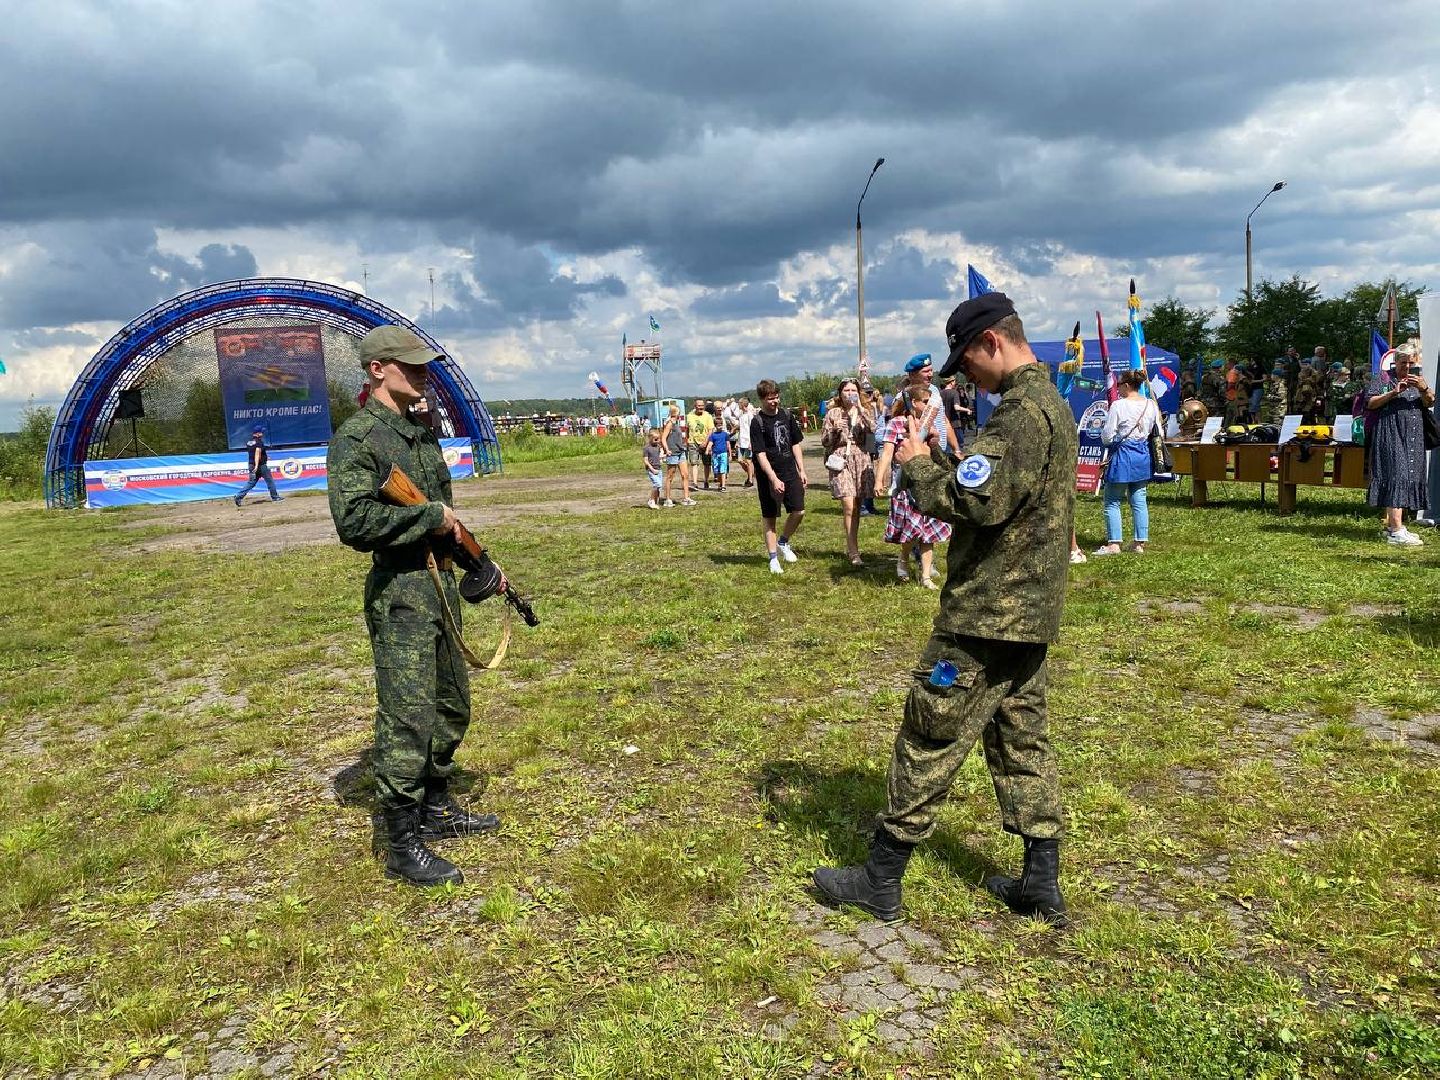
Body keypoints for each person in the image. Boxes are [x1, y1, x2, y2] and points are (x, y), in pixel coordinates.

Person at [813, 292, 1077, 925]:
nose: (966, 379)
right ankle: (1041, 881)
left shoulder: (1020, 413)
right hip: (1028, 617)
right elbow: (1005, 492)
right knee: (1022, 739)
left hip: (985, 615)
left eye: (967, 364)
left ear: (992, 343)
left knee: (929, 735)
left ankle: (881, 879)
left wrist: (918, 465)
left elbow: (978, 502)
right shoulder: (1053, 406)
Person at [327, 325, 503, 887]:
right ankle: (400, 839)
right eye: (413, 365)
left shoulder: (419, 433)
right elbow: (354, 523)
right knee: (408, 717)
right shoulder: (359, 440)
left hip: (440, 586)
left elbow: (445, 513)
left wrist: (478, 561)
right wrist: (428, 519)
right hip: (400, 593)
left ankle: (436, 805)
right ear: (378, 369)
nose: (425, 374)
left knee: (452, 704)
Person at [876, 385, 951, 586]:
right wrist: (879, 479)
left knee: (928, 532)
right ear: (914, 403)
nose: (928, 406)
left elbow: (935, 456)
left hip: (926, 484)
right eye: (925, 402)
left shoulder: (929, 426)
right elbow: (887, 453)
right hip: (905, 487)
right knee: (912, 530)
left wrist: (934, 441)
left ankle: (925, 576)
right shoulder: (896, 424)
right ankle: (903, 559)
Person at [1366, 342, 1433, 546]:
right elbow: (1370, 403)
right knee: (1396, 475)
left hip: (1413, 435)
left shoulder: (1419, 380)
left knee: (1408, 475)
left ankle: (1392, 527)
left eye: (1411, 363)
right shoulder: (1384, 378)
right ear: (1395, 362)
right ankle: (1396, 529)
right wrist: (1393, 392)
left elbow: (1430, 402)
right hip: (1390, 432)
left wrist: (1424, 389)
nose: (1406, 367)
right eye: (1403, 363)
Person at [1092, 370, 1160, 556]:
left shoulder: (1119, 406)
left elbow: (1107, 436)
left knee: (1112, 500)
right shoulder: (1151, 405)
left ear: (1127, 385)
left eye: (1119, 385)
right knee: (1139, 500)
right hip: (1143, 455)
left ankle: (1114, 544)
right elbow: (1157, 432)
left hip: (1122, 456)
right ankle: (1139, 543)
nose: (1117, 388)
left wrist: (1108, 440)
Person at [750, 379, 807, 574]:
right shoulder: (757, 422)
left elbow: (795, 444)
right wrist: (773, 478)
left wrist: (802, 469)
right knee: (770, 517)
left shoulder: (787, 416)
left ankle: (784, 542)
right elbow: (760, 454)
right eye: (770, 398)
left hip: (790, 471)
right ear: (762, 399)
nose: (775, 401)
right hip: (768, 476)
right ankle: (773, 558)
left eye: (776, 397)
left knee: (799, 511)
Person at [821, 377, 876, 565]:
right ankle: (853, 551)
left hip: (860, 458)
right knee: (848, 504)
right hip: (841, 459)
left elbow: (874, 430)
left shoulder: (865, 411)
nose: (850, 394)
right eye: (846, 391)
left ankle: (853, 544)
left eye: (853, 390)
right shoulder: (833, 413)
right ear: (840, 394)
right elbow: (825, 442)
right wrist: (835, 431)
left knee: (857, 506)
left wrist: (861, 409)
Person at [903, 353, 960, 454]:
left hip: (941, 450)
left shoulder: (934, 391)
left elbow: (944, 420)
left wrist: (956, 449)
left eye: (931, 370)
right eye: (925, 371)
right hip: (924, 452)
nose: (930, 374)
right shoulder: (905, 397)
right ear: (912, 375)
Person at [659, 405, 695, 507]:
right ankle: (667, 499)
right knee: (670, 476)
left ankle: (686, 498)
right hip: (673, 452)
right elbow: (663, 438)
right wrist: (667, 450)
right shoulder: (670, 424)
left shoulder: (677, 424)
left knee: (685, 475)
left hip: (681, 452)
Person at [234, 427, 282, 505]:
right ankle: (275, 497)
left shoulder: (249, 442)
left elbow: (253, 453)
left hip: (250, 464)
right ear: (257, 433)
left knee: (251, 482)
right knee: (270, 481)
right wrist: (257, 465)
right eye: (261, 432)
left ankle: (239, 496)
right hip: (260, 466)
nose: (262, 434)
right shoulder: (259, 442)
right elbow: (257, 453)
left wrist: (265, 457)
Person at [686, 399, 714, 489]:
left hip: (705, 441)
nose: (701, 407)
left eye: (702, 405)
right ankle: (695, 483)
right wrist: (687, 439)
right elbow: (687, 428)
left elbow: (711, 430)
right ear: (695, 406)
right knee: (694, 463)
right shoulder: (689, 416)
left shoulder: (708, 416)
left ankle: (706, 480)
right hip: (693, 442)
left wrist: (706, 442)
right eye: (699, 406)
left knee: (707, 463)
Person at [734, 396, 757, 488]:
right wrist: (737, 441)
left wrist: (751, 442)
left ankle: (750, 480)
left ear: (743, 404)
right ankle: (751, 474)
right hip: (741, 441)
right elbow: (741, 429)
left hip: (748, 441)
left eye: (739, 403)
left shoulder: (749, 415)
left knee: (748, 461)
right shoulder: (741, 415)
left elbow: (752, 429)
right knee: (740, 460)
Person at [705, 422, 731, 492]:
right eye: (718, 425)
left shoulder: (725, 434)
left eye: (721, 425)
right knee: (717, 471)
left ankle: (723, 486)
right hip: (715, 455)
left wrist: (730, 454)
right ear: (715, 426)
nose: (720, 426)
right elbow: (710, 443)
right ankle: (721, 483)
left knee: (723, 470)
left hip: (723, 454)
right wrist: (707, 450)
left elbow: (728, 444)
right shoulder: (713, 435)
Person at [643, 430, 663, 509]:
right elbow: (645, 460)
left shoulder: (658, 447)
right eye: (655, 439)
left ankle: (655, 501)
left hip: (659, 468)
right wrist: (651, 469)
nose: (657, 441)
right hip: (652, 469)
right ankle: (651, 500)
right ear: (650, 438)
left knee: (659, 487)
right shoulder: (647, 448)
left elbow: (659, 457)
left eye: (658, 439)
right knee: (657, 484)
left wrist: (664, 456)